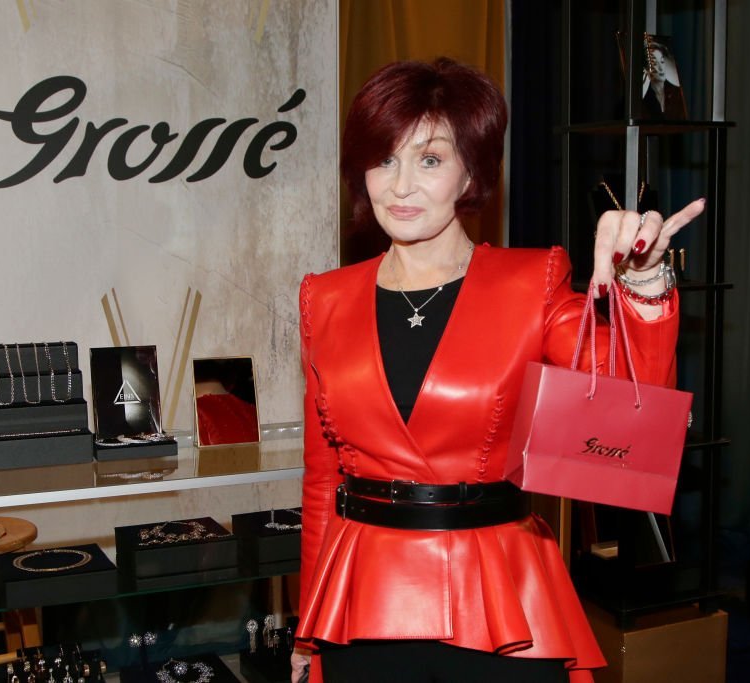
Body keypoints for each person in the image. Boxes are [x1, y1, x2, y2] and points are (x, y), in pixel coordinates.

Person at [290, 58, 705, 683]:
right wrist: (307, 629)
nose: (400, 186)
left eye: (430, 160)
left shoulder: (528, 282)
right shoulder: (325, 297)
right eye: (385, 159)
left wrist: (642, 283)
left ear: (471, 172)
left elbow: (633, 403)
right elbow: (323, 479)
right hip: (365, 601)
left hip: (499, 600)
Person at [641, 43, 688, 120]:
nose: (660, 68)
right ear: (646, 68)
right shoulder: (644, 97)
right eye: (655, 63)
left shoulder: (676, 93)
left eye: (662, 61)